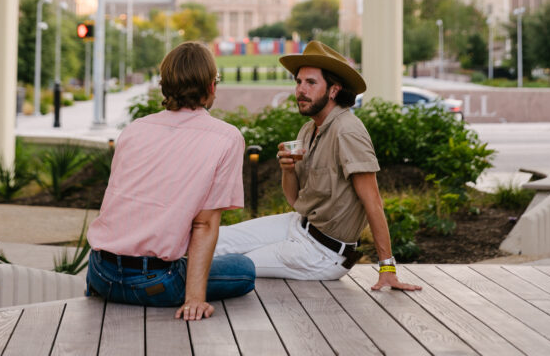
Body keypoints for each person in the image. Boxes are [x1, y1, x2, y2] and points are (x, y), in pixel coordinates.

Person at [214, 40, 421, 292]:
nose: (301, 90)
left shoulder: (347, 131)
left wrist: (387, 267)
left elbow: (373, 201)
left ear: (334, 90)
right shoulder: (309, 129)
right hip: (299, 225)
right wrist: (288, 169)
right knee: (216, 239)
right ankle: (159, 272)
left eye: (311, 83)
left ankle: (176, 289)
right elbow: (294, 199)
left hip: (323, 253)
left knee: (233, 265)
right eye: (298, 82)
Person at [86, 41, 255, 320]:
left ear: (165, 85)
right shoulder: (226, 138)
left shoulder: (133, 130)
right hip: (155, 284)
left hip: (100, 275)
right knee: (244, 268)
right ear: (211, 87)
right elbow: (205, 223)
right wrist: (195, 300)